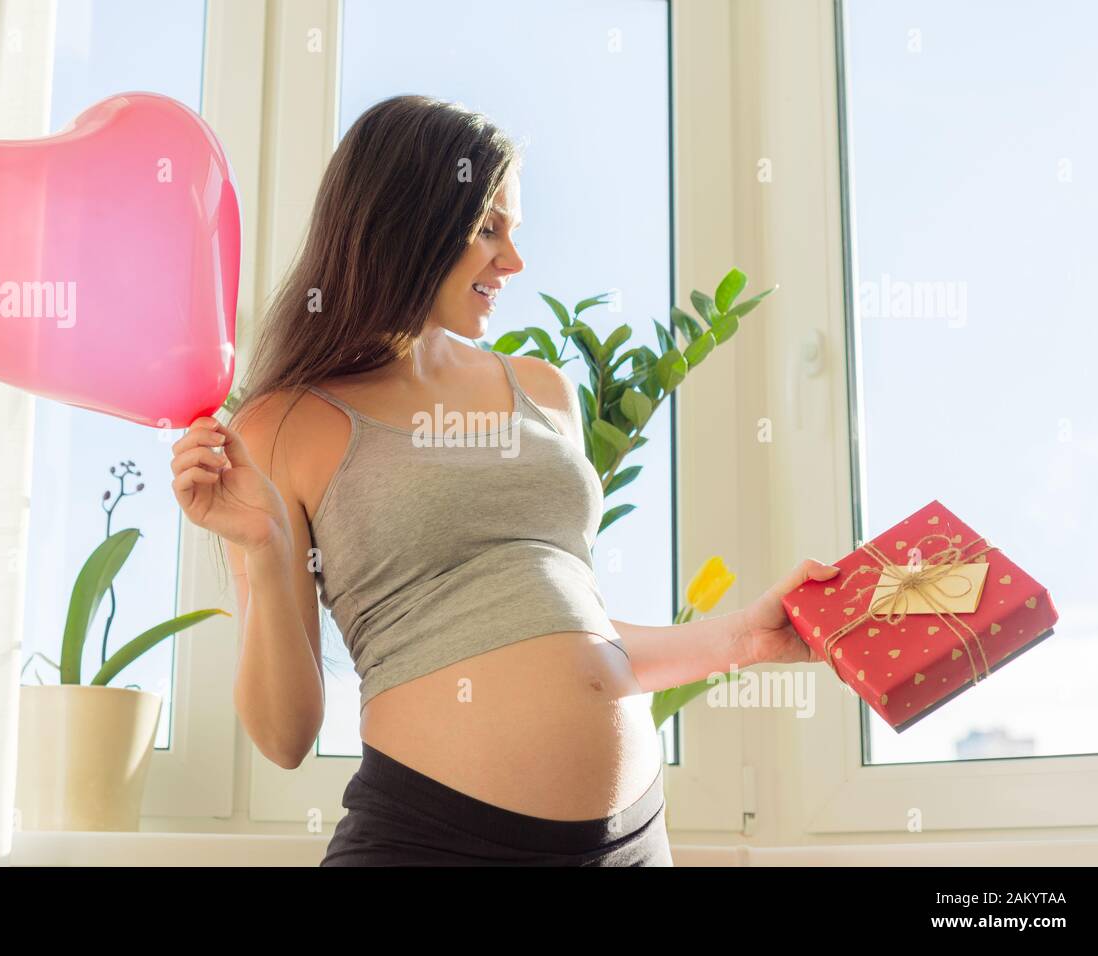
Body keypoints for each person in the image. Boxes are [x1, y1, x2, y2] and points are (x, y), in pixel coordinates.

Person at [170, 94, 836, 866]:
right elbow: (284, 736)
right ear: (405, 219)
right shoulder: (282, 426)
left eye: (514, 231)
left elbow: (565, 634)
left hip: (631, 844)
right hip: (431, 841)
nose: (513, 262)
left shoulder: (544, 392)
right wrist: (261, 546)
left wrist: (741, 639)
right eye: (489, 229)